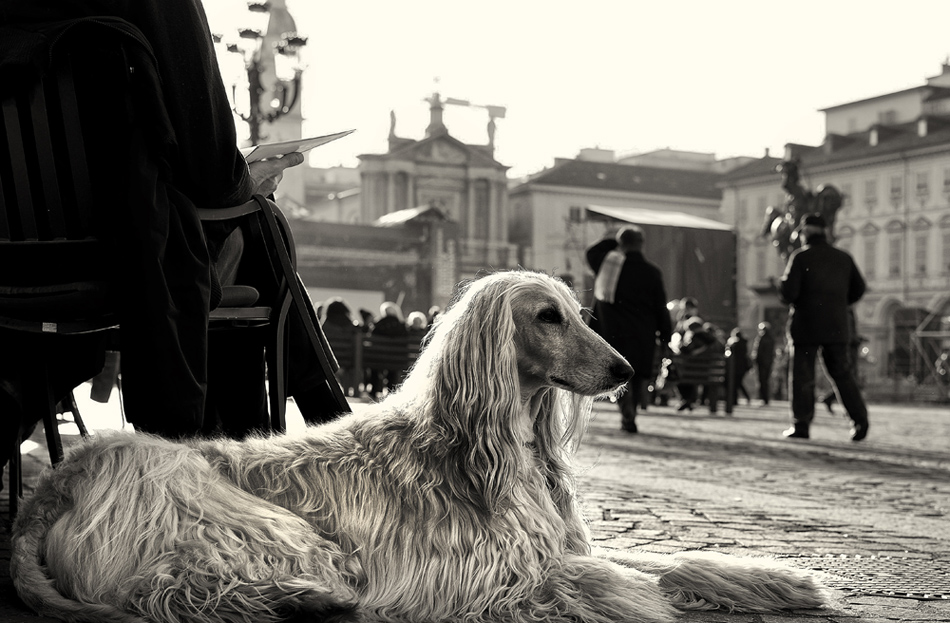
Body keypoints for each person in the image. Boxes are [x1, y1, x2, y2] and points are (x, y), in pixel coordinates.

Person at [0, 0, 343, 445]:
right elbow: (212, 171)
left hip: (11, 260)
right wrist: (247, 179)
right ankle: (267, 445)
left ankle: (17, 394)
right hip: (123, 262)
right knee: (259, 228)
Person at [778, 213, 869, 441]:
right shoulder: (843, 258)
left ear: (805, 233)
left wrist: (783, 286)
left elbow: (789, 293)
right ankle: (859, 421)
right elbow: (859, 288)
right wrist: (837, 303)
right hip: (836, 325)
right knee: (842, 374)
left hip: (806, 324)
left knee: (802, 376)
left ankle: (801, 424)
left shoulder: (800, 258)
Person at [586, 226, 672, 433]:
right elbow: (661, 307)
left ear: (622, 244)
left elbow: (592, 252)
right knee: (638, 375)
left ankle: (627, 413)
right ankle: (630, 412)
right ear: (642, 244)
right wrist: (666, 336)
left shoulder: (608, 267)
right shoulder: (652, 272)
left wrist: (614, 242)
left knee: (619, 372)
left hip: (613, 331)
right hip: (643, 332)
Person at [751, 322, 776, 406]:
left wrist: (755, 361)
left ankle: (763, 398)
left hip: (761, 363)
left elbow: (758, 351)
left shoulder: (761, 338)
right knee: (766, 380)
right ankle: (765, 398)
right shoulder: (771, 339)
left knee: (762, 380)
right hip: (768, 363)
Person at [725, 328, 752, 407]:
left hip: (735, 366)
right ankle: (739, 399)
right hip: (743, 367)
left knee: (736, 383)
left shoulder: (734, 343)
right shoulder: (744, 343)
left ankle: (735, 400)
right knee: (738, 383)